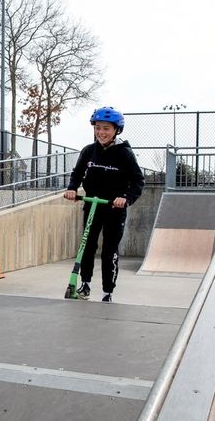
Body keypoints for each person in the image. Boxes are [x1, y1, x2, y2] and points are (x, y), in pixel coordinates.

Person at [63, 107, 144, 302]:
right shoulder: (89, 151)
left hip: (114, 209)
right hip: (92, 205)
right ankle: (85, 285)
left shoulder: (124, 153)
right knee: (88, 246)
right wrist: (72, 188)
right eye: (98, 128)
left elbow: (138, 181)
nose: (101, 132)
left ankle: (108, 291)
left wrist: (125, 197)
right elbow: (77, 173)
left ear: (116, 130)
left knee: (109, 250)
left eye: (106, 128)